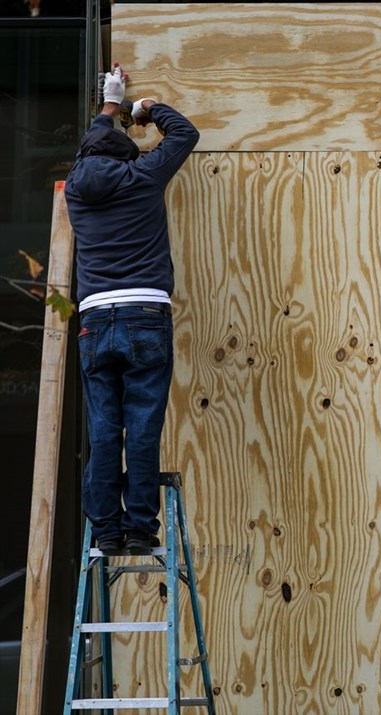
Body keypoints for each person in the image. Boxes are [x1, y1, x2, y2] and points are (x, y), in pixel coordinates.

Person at [65, 65, 199, 553]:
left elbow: (93, 148)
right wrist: (144, 110)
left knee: (104, 428)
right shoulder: (142, 176)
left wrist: (109, 105)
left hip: (96, 320)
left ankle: (106, 529)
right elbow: (185, 133)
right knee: (142, 425)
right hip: (146, 315)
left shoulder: (75, 191)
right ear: (127, 156)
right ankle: (140, 528)